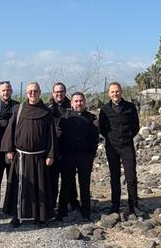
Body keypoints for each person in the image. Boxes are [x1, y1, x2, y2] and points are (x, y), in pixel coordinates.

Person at [0, 81, 56, 227]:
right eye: (30, 91)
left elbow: (51, 135)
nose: (33, 93)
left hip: (39, 157)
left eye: (35, 91)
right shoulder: (18, 109)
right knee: (19, 187)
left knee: (40, 188)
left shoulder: (46, 112)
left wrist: (50, 154)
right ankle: (17, 216)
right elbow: (10, 130)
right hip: (21, 156)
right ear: (26, 93)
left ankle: (40, 217)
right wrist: (9, 150)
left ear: (40, 92)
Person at [98, 82, 140, 216]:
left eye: (117, 91)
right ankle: (115, 206)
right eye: (112, 92)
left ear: (121, 92)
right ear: (109, 94)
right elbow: (102, 129)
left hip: (127, 145)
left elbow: (136, 127)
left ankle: (134, 206)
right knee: (114, 176)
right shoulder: (104, 110)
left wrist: (127, 137)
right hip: (112, 147)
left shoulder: (130, 107)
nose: (115, 94)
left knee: (131, 176)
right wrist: (112, 139)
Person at [55, 92, 99, 221]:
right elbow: (59, 139)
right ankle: (62, 211)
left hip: (85, 157)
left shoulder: (91, 118)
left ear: (84, 102)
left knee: (84, 185)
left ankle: (86, 212)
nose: (79, 103)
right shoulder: (64, 118)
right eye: (76, 101)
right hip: (68, 157)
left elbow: (95, 139)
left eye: (81, 101)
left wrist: (91, 155)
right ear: (71, 103)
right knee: (65, 185)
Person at [0, 81, 18, 218]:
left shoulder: (18, 107)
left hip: (13, 150)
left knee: (12, 179)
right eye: (3, 90)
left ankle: (11, 206)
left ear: (11, 91)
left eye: (8, 90)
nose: (5, 92)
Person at [47, 82, 70, 212]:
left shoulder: (71, 106)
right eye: (56, 92)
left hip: (68, 149)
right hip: (52, 149)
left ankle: (66, 205)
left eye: (61, 92)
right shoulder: (47, 108)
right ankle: (51, 205)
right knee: (52, 179)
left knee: (68, 180)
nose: (59, 94)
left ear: (65, 92)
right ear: (53, 93)